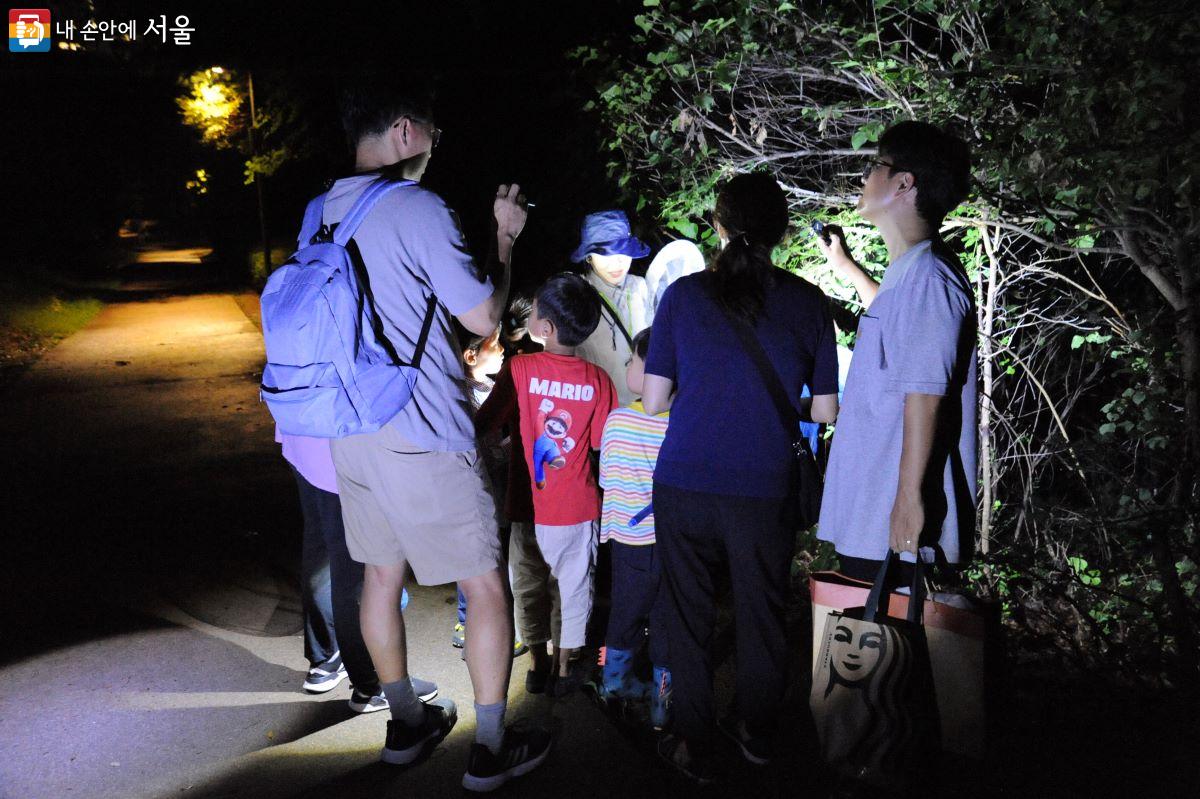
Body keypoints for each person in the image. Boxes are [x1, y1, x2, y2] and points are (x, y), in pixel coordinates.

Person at [325, 77, 549, 792]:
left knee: (379, 576)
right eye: (432, 132)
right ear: (402, 132)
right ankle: (489, 749)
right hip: (420, 427)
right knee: (484, 582)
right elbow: (484, 316)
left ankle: (406, 723)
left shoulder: (319, 210)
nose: (434, 145)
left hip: (348, 430)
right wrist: (505, 239)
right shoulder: (416, 207)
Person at [641, 173, 840, 782]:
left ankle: (694, 741)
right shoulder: (809, 303)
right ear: (780, 233)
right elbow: (827, 410)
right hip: (764, 489)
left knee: (688, 614)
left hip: (685, 481)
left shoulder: (684, 296)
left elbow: (653, 401)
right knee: (760, 613)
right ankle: (757, 734)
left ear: (718, 227)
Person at [815, 121, 976, 586]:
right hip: (875, 512)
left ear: (905, 183)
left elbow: (924, 393)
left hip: (892, 521)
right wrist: (847, 269)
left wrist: (908, 502)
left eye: (876, 166)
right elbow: (896, 324)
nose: (866, 178)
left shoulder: (928, 277)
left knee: (889, 653)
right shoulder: (913, 272)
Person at [476, 272, 616, 697]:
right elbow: (596, 444)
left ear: (545, 328)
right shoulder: (599, 381)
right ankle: (563, 667)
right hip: (574, 506)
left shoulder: (518, 369)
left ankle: (535, 660)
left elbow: (484, 424)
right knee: (572, 588)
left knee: (528, 584)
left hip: (525, 504)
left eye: (535, 311)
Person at [278, 431, 439, 712]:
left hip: (298, 436)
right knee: (353, 570)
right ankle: (371, 685)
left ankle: (326, 659)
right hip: (338, 450)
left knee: (321, 549)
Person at [596, 328, 672, 730]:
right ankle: (664, 701)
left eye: (633, 360)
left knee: (624, 615)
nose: (628, 365)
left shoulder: (619, 421)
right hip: (673, 545)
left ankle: (612, 682)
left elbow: (607, 478)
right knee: (666, 618)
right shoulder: (682, 424)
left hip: (629, 542)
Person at [451, 321, 528, 660]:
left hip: (482, 488)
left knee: (476, 557)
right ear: (470, 355)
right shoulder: (469, 396)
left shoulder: (477, 388)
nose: (502, 350)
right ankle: (480, 627)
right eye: (494, 344)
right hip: (479, 490)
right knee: (486, 559)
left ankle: (466, 622)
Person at [571, 210, 654, 407]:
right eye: (605, 253)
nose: (617, 261)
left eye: (623, 251)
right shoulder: (576, 294)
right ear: (588, 256)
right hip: (602, 411)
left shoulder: (642, 286)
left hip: (648, 407)